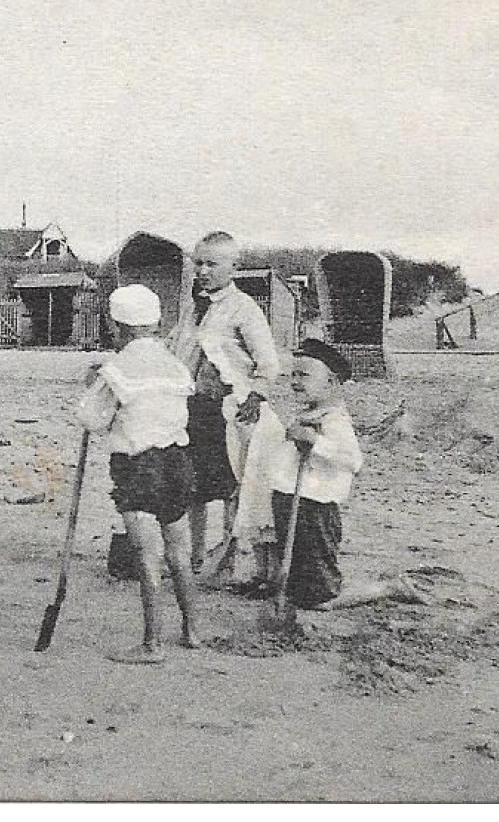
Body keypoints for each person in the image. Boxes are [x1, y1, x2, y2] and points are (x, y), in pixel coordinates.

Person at [75, 284, 200, 663]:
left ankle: (151, 644)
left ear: (117, 327)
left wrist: (92, 386)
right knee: (179, 552)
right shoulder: (176, 366)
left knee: (147, 554)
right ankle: (192, 630)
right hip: (178, 462)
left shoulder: (117, 370)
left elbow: (90, 418)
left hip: (139, 466)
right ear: (158, 322)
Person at [260, 339, 422, 610]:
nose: (296, 382)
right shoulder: (305, 415)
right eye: (293, 375)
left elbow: (353, 461)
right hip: (289, 501)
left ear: (331, 382)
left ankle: (387, 587)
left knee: (322, 598)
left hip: (315, 509)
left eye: (305, 375)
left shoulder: (334, 421)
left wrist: (315, 443)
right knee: (296, 577)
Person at [167, 231, 280, 579]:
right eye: (198, 262)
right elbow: (175, 349)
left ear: (234, 266)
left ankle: (228, 558)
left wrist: (256, 395)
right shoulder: (191, 307)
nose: (203, 270)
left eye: (212, 264)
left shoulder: (244, 309)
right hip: (191, 407)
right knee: (191, 486)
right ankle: (194, 556)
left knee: (231, 486)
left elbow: (269, 363)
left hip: (228, 409)